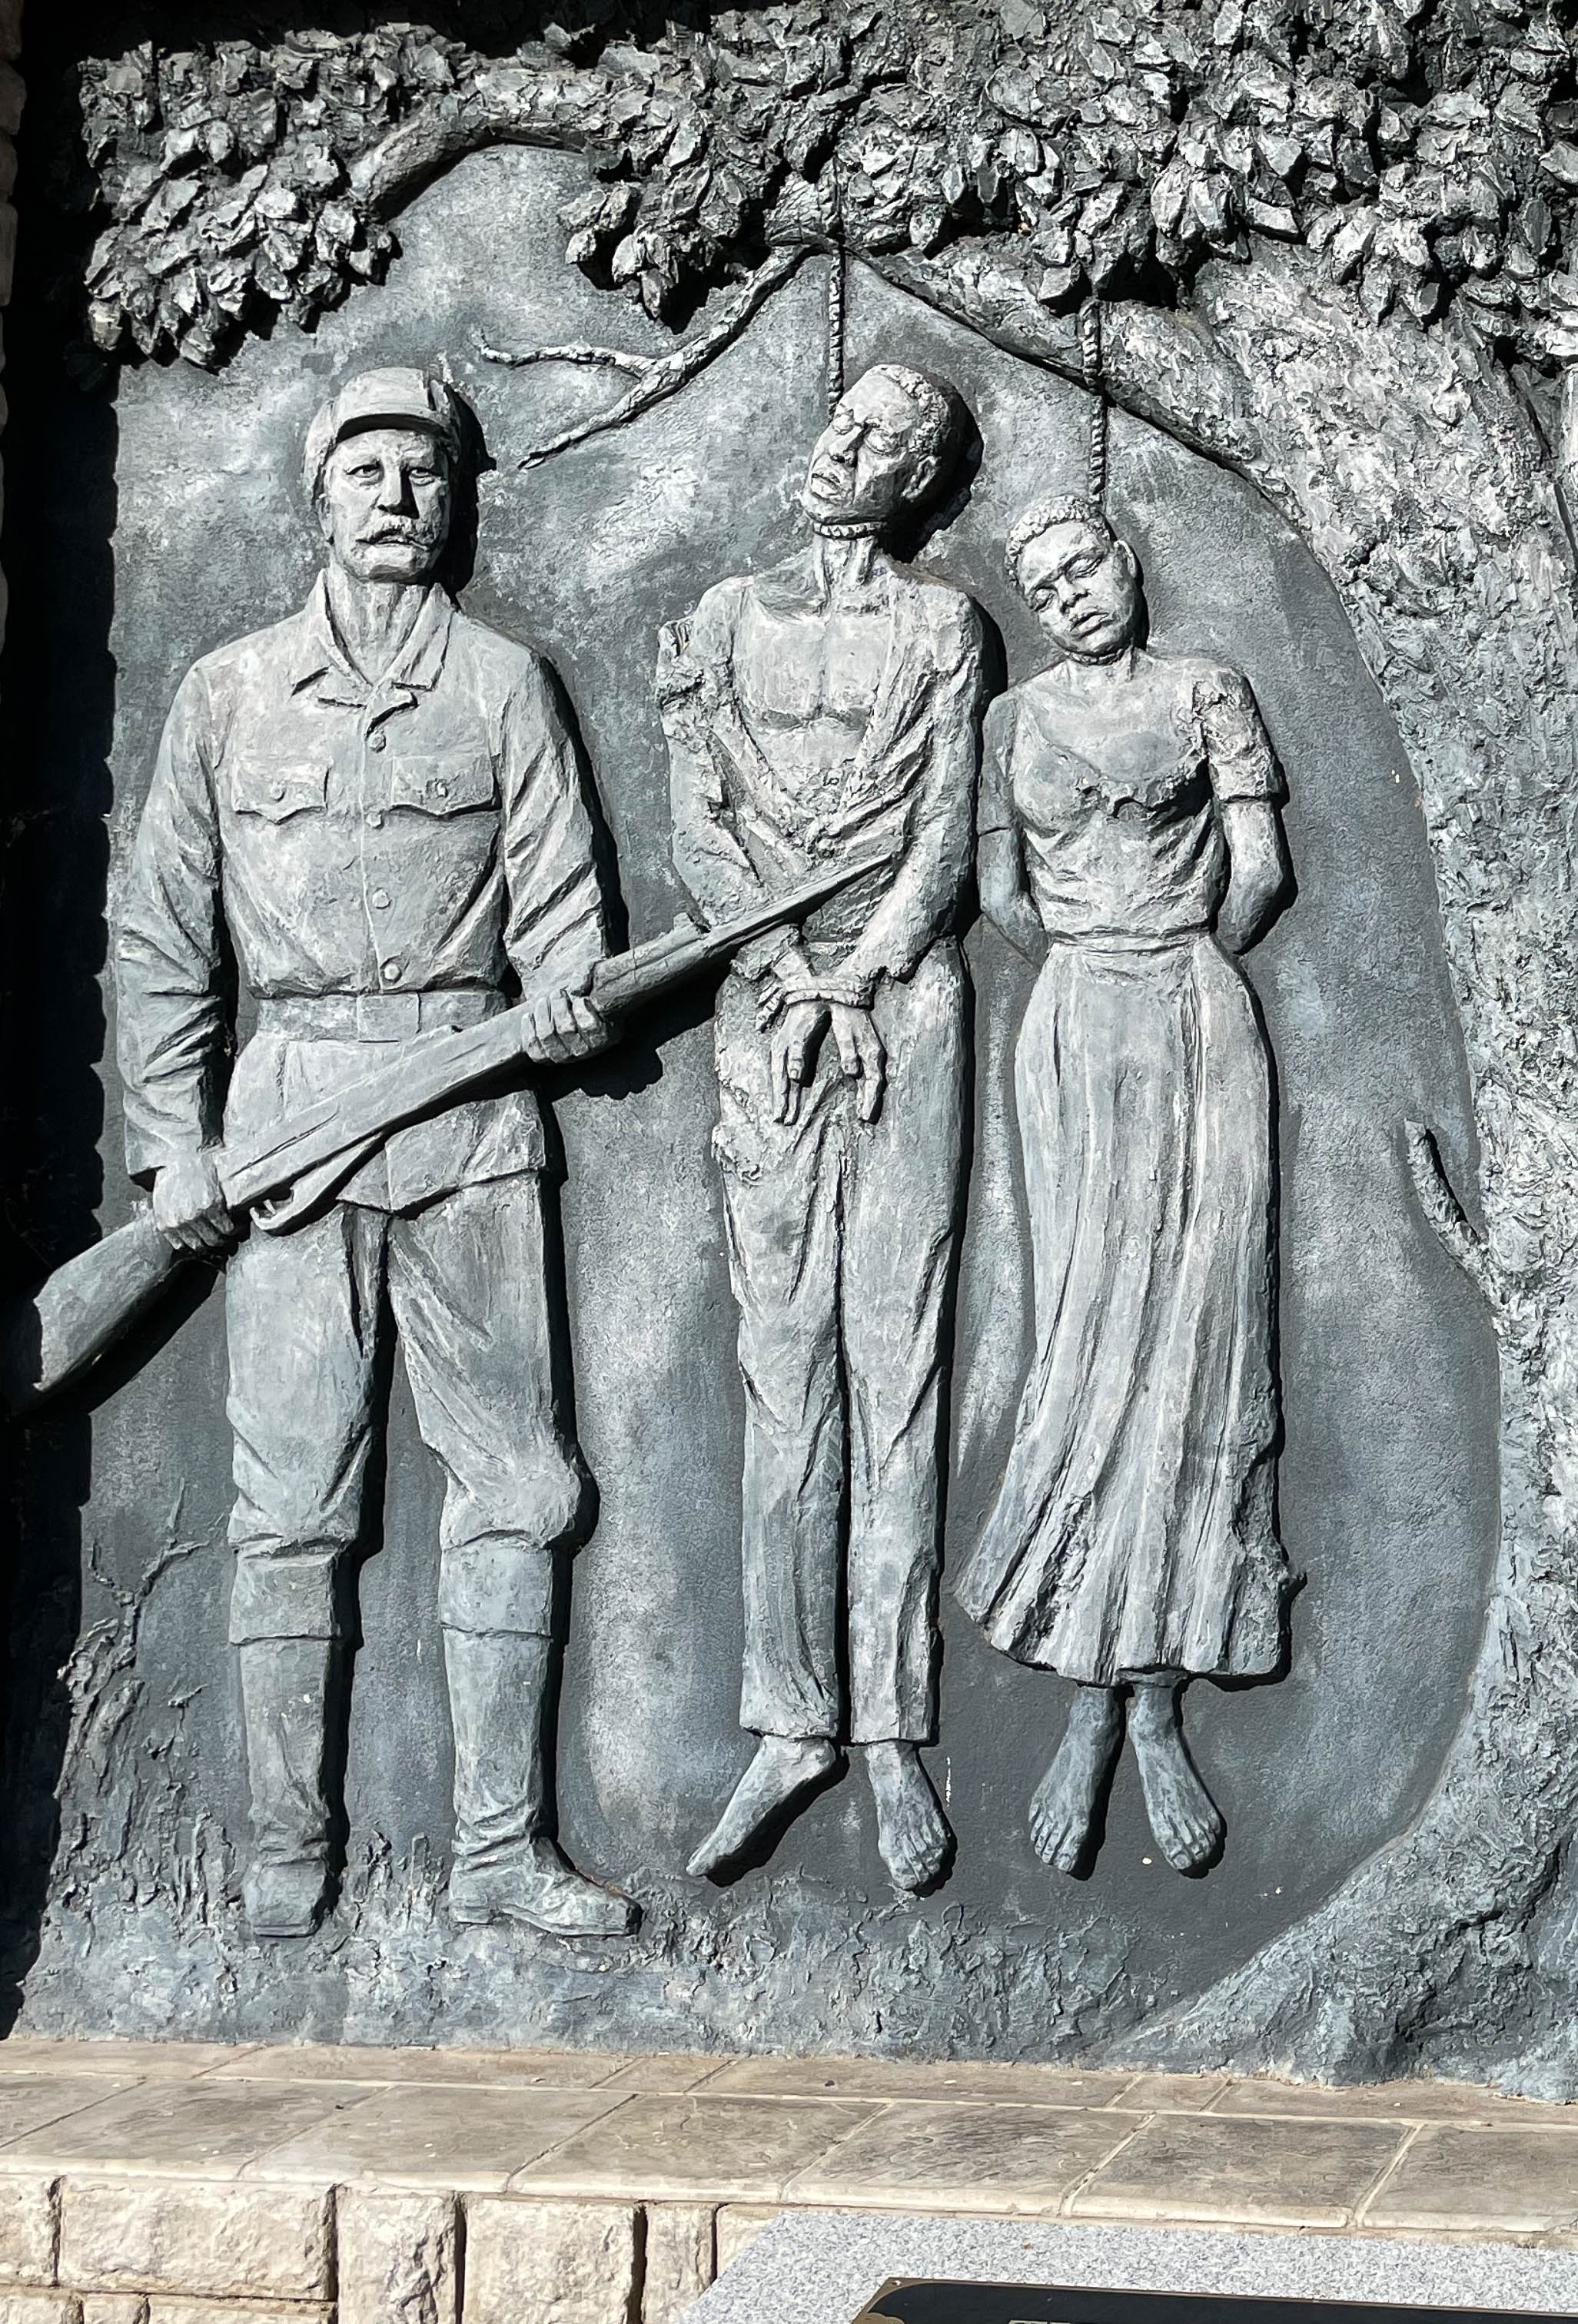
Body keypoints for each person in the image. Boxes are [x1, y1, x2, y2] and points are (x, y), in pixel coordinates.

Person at [114, 364, 631, 1940]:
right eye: (368, 472)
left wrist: (565, 998)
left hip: (471, 1123)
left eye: (425, 474)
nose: (398, 499)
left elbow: (564, 910)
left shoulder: (506, 685)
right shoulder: (228, 694)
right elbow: (164, 935)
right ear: (318, 499)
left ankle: (499, 1855)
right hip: (291, 1134)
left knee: (520, 1488)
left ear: (457, 501)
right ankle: (289, 1852)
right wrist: (172, 1141)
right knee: (291, 1506)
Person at [663, 365, 990, 1892]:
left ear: (918, 484)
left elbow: (945, 827)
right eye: (838, 420)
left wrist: (862, 974)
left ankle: (894, 1732)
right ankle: (793, 1724)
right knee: (784, 1371)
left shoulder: (945, 628)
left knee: (896, 1364)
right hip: (767, 1011)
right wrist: (791, 975)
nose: (839, 448)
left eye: (880, 442)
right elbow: (698, 822)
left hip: (903, 1006)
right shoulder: (723, 619)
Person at [961, 493, 1291, 1877]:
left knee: (1201, 1348)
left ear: (1128, 562)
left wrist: (1174, 960)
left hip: (1195, 1017)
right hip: (1077, 1025)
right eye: (1043, 587)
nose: (1069, 598)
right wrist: (1096, 964)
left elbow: (1261, 871)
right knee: (1086, 1341)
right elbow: (999, 893)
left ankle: (1157, 1702)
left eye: (1084, 569)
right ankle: (1084, 1696)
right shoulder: (1013, 721)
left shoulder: (1208, 689)